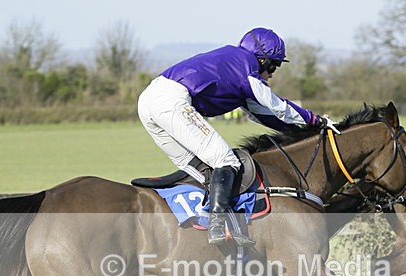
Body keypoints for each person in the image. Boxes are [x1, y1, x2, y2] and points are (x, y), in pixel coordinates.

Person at [138, 27, 336, 245]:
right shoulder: (246, 66)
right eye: (274, 65)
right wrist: (316, 121)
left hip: (149, 101)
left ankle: (196, 226)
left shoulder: (236, 68)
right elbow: (276, 106)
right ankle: (217, 225)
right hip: (171, 102)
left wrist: (302, 134)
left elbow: (264, 115)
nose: (271, 74)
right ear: (262, 59)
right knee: (226, 161)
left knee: (201, 168)